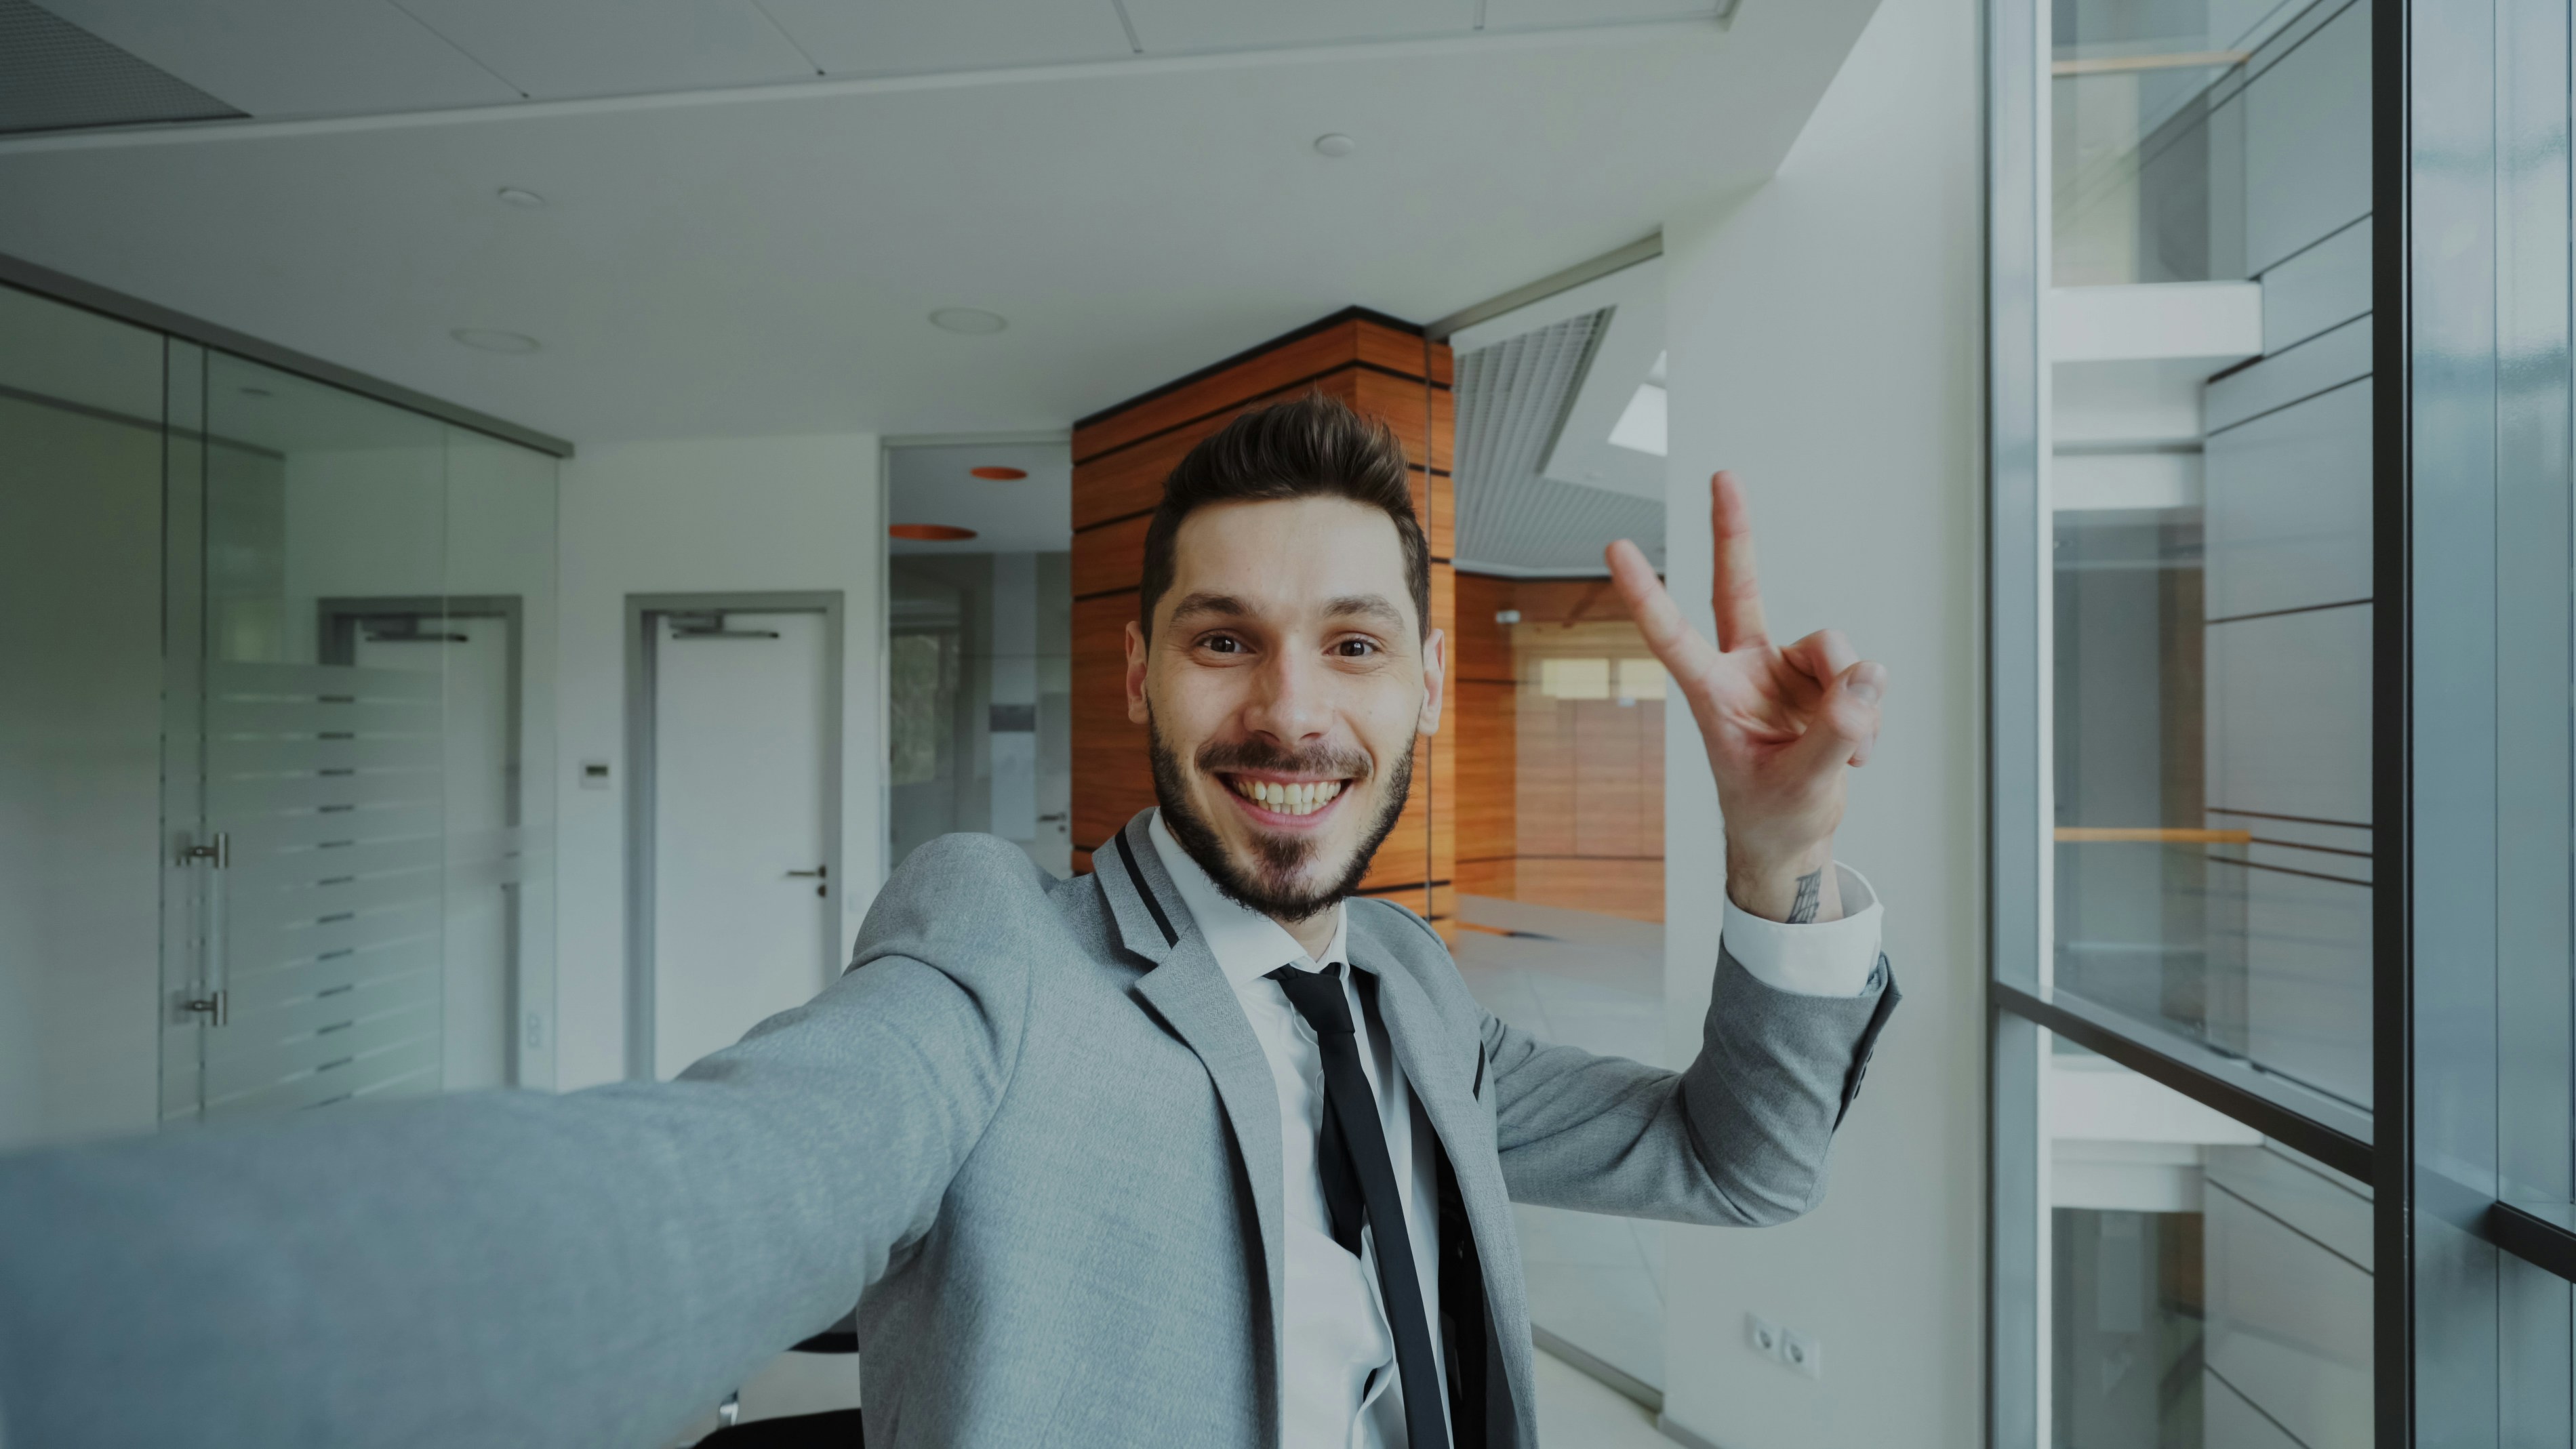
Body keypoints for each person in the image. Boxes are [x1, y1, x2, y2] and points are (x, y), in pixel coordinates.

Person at [0, 394, 1897, 1449]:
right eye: (1223, 637)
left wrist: (1771, 849)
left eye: (1354, 645)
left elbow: (1744, 1163)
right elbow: (737, 1171)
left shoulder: (1411, 990)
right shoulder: (1003, 948)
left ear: (1412, 696)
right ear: (1141, 673)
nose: (1292, 709)